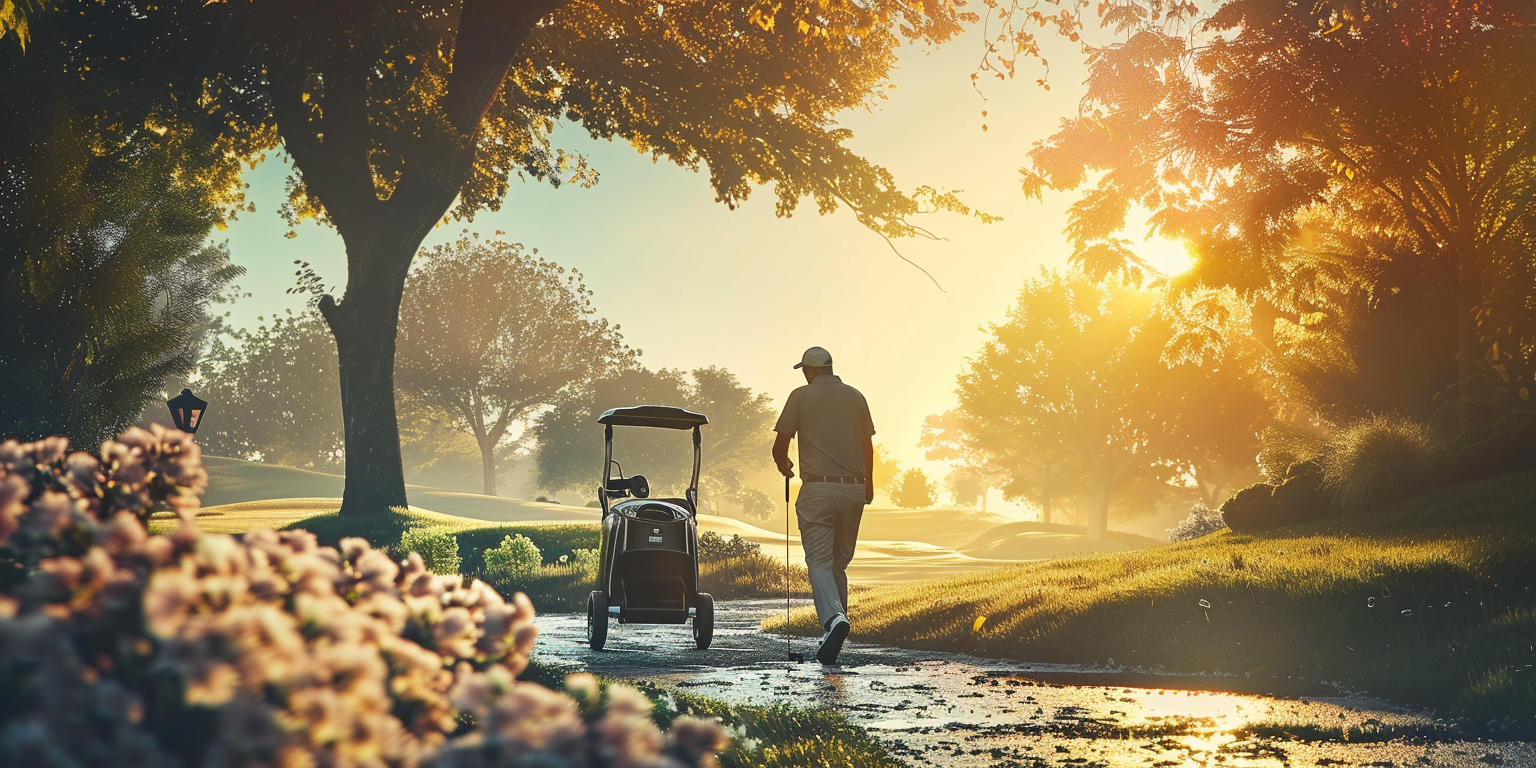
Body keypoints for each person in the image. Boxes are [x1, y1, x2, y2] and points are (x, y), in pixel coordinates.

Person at [772, 346, 875, 665]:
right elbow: (867, 445)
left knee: (818, 561)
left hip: (818, 488)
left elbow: (780, 444)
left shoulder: (800, 395)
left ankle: (834, 621)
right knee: (837, 564)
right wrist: (868, 483)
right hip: (854, 489)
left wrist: (784, 465)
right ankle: (836, 625)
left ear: (808, 370)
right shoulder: (856, 396)